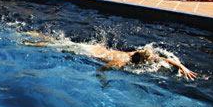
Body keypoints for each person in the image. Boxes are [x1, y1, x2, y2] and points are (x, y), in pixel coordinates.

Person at [22, 31, 197, 80]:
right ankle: (30, 42)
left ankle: (35, 34)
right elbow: (101, 69)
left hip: (97, 48)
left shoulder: (133, 53)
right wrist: (103, 81)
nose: (154, 60)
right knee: (57, 45)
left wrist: (183, 67)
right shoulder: (119, 63)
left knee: (60, 41)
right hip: (89, 52)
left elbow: (167, 59)